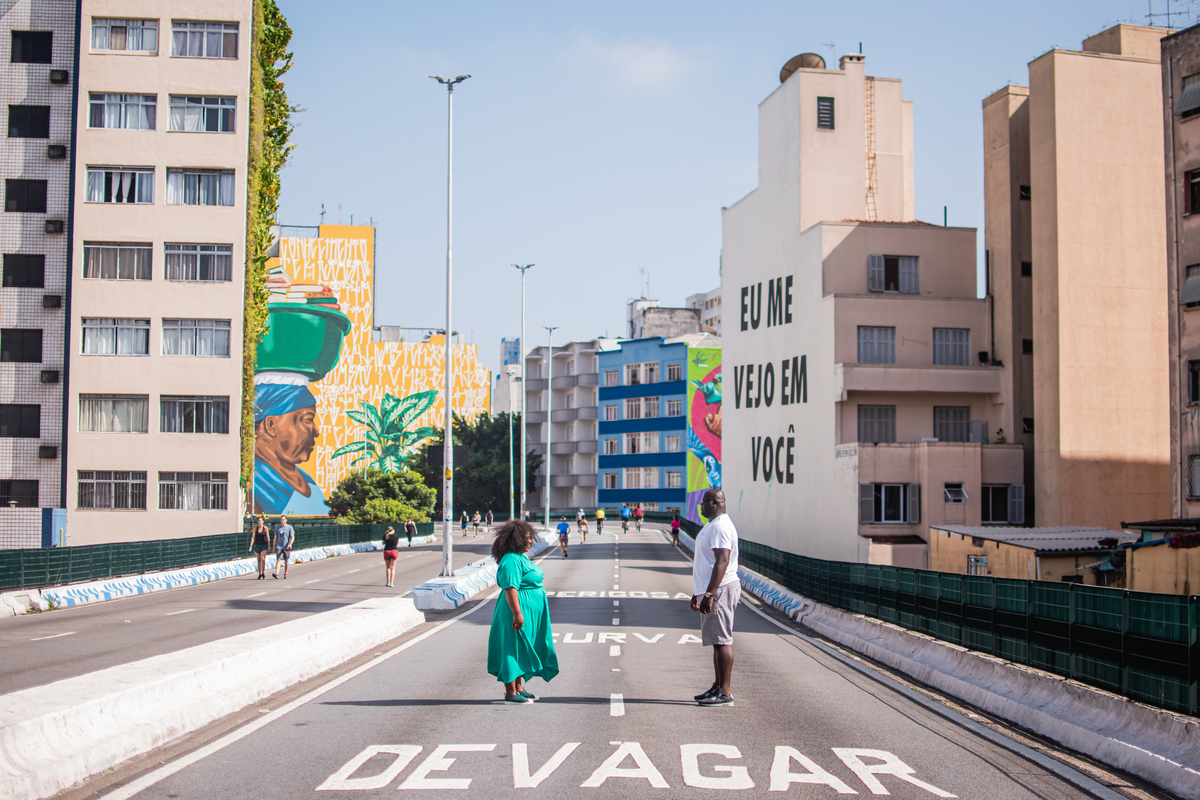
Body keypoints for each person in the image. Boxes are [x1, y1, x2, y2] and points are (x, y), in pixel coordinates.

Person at [487, 519, 559, 703]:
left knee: (522, 647)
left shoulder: (520, 558)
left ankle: (519, 687)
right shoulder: (511, 560)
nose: (530, 542)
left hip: (527, 610)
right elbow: (511, 587)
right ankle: (510, 692)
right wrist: (518, 613)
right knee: (511, 647)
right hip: (515, 610)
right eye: (527, 539)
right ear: (516, 540)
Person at [690, 488, 740, 707]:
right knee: (716, 641)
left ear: (714, 503)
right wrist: (698, 591)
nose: (700, 506)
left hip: (720, 589)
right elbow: (707, 562)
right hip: (711, 589)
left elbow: (722, 561)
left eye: (703, 503)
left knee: (722, 640)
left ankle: (725, 692)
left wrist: (709, 594)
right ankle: (718, 686)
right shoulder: (712, 525)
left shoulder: (720, 526)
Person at [253, 384, 327, 515]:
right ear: (271, 425)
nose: (316, 432)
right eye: (308, 420)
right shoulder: (253, 485)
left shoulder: (307, 480)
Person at [272, 515, 295, 579]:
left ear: (286, 520)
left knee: (286, 560)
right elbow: (275, 537)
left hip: (287, 546)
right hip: (279, 546)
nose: (282, 520)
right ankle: (277, 573)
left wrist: (290, 543)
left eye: (283, 519)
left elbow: (292, 536)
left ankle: (286, 573)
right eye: (281, 519)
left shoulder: (289, 527)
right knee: (279, 559)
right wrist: (274, 547)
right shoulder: (278, 528)